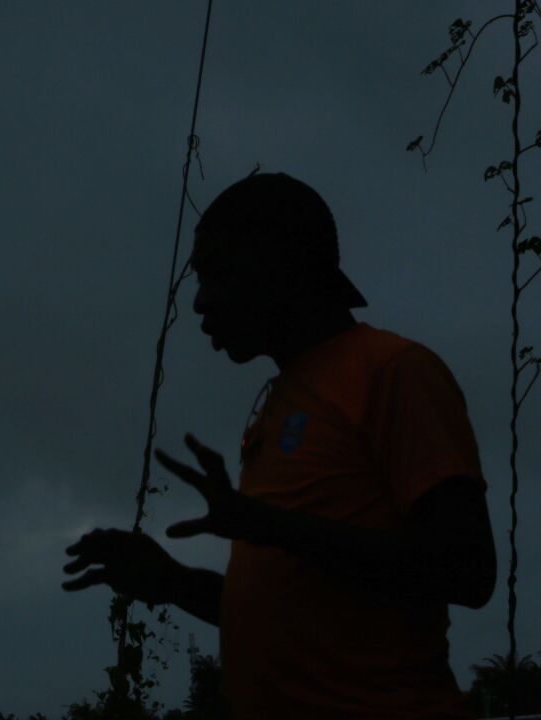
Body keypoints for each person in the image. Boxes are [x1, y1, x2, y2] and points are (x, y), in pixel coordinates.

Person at [62, 173, 496, 719]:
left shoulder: (396, 372)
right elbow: (301, 612)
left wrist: (267, 527)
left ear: (282, 263)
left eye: (216, 273)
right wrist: (173, 581)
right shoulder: (282, 401)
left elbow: (467, 569)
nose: (199, 302)